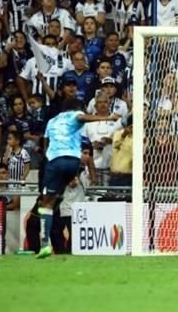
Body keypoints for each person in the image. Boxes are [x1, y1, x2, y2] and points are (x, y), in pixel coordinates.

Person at [35, 98, 121, 259]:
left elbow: (46, 144)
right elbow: (82, 118)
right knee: (58, 197)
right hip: (74, 162)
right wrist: (107, 117)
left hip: (55, 161)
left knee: (46, 203)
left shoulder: (52, 121)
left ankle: (45, 244)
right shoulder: (75, 114)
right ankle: (66, 185)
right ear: (76, 108)